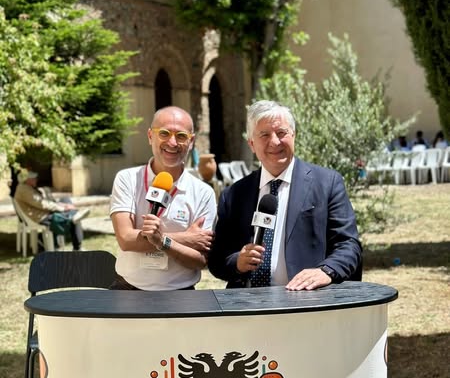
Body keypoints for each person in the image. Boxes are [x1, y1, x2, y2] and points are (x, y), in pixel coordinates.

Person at [208, 100, 362, 291]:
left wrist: (325, 271)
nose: (274, 142)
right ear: (252, 144)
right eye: (264, 135)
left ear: (293, 135)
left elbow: (348, 245)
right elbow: (217, 259)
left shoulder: (327, 183)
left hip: (305, 298)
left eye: (281, 133)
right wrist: (237, 262)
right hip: (249, 302)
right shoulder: (234, 195)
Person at [109, 105, 216, 290]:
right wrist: (185, 238)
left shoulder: (203, 192)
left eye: (181, 136)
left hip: (180, 293)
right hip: (128, 289)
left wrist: (162, 241)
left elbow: (200, 261)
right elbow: (126, 239)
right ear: (150, 136)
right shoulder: (127, 179)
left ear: (191, 141)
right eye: (164, 133)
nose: (172, 143)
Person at [13, 170, 90, 250]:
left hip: (43, 212)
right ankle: (77, 246)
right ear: (27, 180)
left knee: (65, 200)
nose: (36, 179)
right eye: (34, 178)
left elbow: (43, 202)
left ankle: (73, 215)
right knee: (73, 218)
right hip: (41, 216)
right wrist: (63, 208)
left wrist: (61, 205)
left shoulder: (27, 188)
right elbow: (42, 204)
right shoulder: (24, 190)